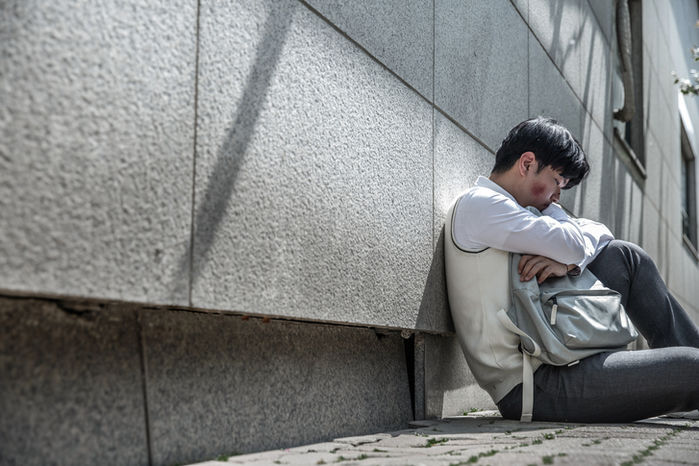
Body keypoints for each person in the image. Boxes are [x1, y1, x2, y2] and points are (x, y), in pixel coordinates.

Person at [445, 116, 699, 423]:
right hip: (535, 386)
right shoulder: (482, 206)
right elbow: (574, 242)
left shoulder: (511, 210)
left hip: (561, 351)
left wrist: (567, 260)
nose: (556, 197)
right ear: (527, 164)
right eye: (557, 182)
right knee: (692, 368)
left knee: (625, 258)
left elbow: (598, 233)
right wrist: (568, 249)